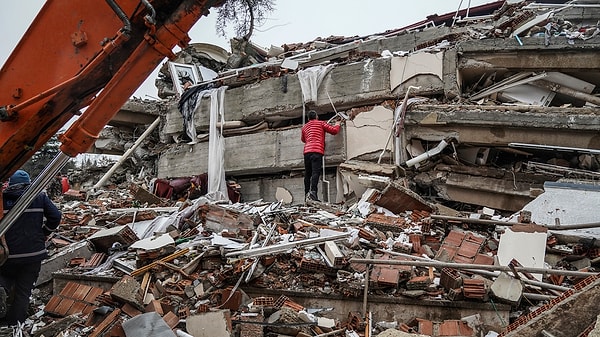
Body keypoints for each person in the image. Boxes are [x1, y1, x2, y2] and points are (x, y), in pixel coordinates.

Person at [0, 170, 61, 325]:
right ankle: (15, 327)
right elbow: (56, 216)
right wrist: (44, 233)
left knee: (4, 280)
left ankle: (3, 290)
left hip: (7, 255)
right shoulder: (39, 197)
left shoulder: (1, 199)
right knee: (23, 293)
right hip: (33, 254)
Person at [301, 110, 343, 202]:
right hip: (317, 151)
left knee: (307, 174)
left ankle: (306, 195)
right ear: (316, 117)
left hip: (307, 152)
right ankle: (313, 193)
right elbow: (334, 131)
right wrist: (338, 123)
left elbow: (303, 139)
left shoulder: (304, 127)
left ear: (308, 119)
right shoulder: (321, 123)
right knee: (315, 173)